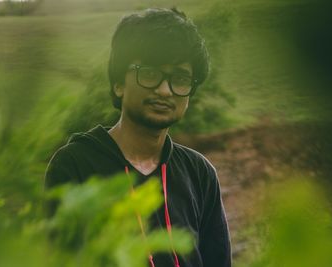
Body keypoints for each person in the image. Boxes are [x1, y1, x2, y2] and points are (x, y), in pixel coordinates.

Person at [45, 7, 231, 267]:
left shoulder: (199, 173)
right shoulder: (74, 165)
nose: (165, 91)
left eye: (180, 78)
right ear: (118, 83)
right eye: (150, 74)